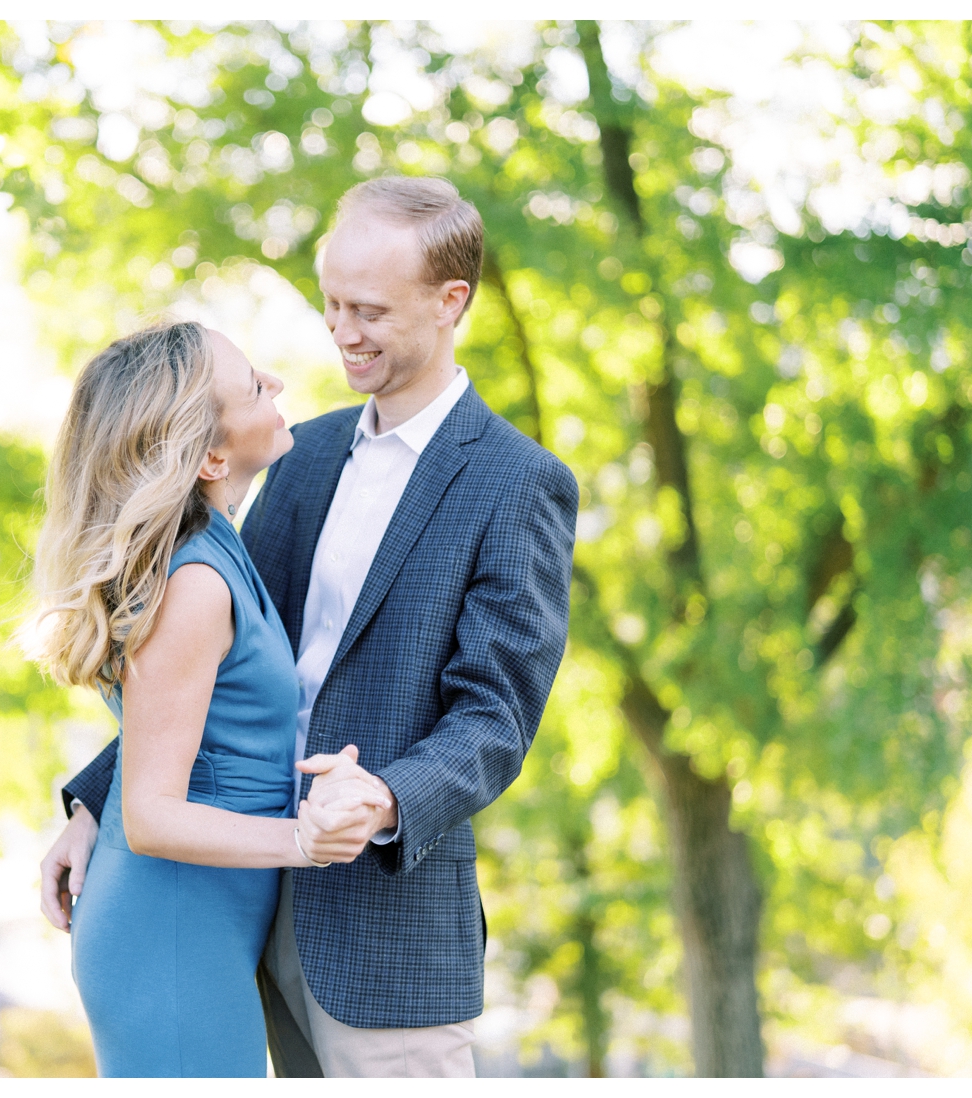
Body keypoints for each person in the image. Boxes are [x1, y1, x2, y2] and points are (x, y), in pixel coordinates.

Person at [43, 175, 578, 1077]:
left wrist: (387, 800)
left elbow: (495, 717)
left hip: (382, 927)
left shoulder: (517, 483)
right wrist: (99, 803)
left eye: (369, 309)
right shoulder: (301, 452)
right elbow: (208, 659)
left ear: (453, 302)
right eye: (332, 301)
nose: (341, 330)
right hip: (235, 896)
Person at [18, 320, 390, 1077]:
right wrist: (304, 842)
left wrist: (90, 807)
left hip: (201, 922)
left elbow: (189, 734)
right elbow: (153, 815)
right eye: (255, 385)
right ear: (212, 455)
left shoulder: (219, 546)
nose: (279, 386)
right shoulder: (194, 584)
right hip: (170, 932)